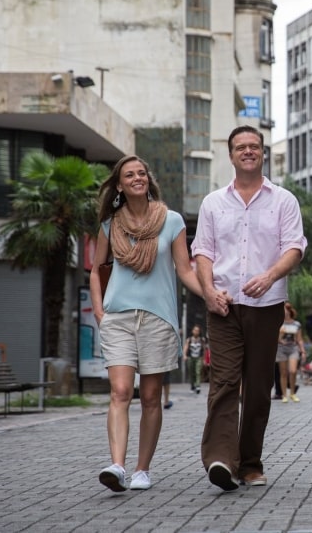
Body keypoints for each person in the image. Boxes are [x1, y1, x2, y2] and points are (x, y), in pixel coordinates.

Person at [192, 125, 307, 491]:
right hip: (223, 305)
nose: (247, 151)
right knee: (224, 382)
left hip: (265, 304)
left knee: (258, 387)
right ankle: (222, 461)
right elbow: (203, 251)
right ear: (231, 155)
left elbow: (295, 247)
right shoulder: (213, 202)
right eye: (240, 147)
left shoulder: (283, 200)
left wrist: (270, 276)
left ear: (262, 153)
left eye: (253, 146)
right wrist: (208, 291)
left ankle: (251, 464)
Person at [89, 154, 207, 493]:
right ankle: (117, 465)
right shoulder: (110, 226)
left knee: (152, 396)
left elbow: (185, 270)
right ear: (120, 185)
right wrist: (99, 311)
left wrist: (210, 294)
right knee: (121, 392)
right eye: (130, 174)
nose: (137, 177)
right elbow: (97, 269)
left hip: (158, 318)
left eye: (142, 172)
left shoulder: (171, 221)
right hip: (119, 318)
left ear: (147, 180)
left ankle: (142, 469)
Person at [276, 302, 305, 402]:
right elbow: (276, 340)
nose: (285, 312)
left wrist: (303, 351)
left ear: (289, 311)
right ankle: (284, 395)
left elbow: (299, 339)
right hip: (281, 349)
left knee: (293, 371)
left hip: (293, 348)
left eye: (286, 310)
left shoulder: (296, 324)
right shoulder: (278, 323)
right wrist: (280, 334)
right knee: (283, 373)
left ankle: (292, 393)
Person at [183, 325, 207, 393]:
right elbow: (186, 347)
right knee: (191, 372)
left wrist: (204, 359)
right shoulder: (189, 339)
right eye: (195, 330)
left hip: (199, 358)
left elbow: (204, 349)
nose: (196, 332)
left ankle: (198, 386)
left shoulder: (202, 340)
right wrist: (184, 355)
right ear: (192, 331)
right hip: (191, 358)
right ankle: (192, 385)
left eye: (198, 330)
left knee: (198, 371)